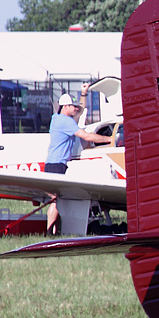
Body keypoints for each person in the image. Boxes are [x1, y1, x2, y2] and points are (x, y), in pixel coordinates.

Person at [45, 84, 111, 234]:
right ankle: (49, 232)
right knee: (57, 201)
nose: (76, 109)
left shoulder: (57, 118)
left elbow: (81, 111)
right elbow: (86, 136)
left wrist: (84, 93)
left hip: (55, 164)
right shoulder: (66, 121)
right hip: (57, 165)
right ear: (65, 106)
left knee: (58, 201)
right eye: (73, 106)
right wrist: (108, 139)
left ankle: (55, 232)